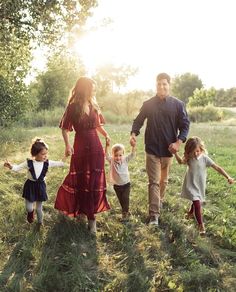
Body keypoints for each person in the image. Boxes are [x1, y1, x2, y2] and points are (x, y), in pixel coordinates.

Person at [130, 72, 190, 226]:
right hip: (152, 149)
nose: (161, 86)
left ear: (169, 85)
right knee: (154, 182)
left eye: (164, 84)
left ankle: (159, 200)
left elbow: (184, 126)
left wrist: (178, 142)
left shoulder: (178, 105)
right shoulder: (148, 104)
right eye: (159, 84)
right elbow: (138, 121)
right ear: (155, 85)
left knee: (163, 181)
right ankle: (154, 215)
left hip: (169, 151)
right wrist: (133, 134)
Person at [54, 77, 111, 233]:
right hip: (80, 146)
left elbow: (97, 125)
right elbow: (64, 129)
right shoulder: (72, 107)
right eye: (92, 87)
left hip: (95, 146)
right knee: (80, 180)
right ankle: (81, 210)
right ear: (84, 89)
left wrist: (106, 135)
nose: (94, 90)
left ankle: (92, 218)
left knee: (93, 181)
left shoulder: (94, 105)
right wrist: (67, 145)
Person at [175, 136, 234, 235]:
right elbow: (180, 161)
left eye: (197, 151)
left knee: (196, 200)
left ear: (201, 149)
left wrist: (228, 177)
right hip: (190, 183)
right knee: (197, 203)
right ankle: (201, 225)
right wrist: (175, 153)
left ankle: (190, 213)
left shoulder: (205, 158)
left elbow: (217, 167)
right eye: (193, 152)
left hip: (200, 185)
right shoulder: (189, 157)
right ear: (189, 151)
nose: (196, 154)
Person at [4, 138, 66, 227]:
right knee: (29, 207)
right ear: (35, 154)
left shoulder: (47, 163)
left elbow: (60, 163)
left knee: (39, 208)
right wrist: (10, 166)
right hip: (30, 186)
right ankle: (30, 212)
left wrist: (66, 155)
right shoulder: (29, 163)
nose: (45, 156)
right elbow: (17, 168)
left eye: (46, 154)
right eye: (43, 154)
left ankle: (40, 223)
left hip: (40, 186)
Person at [105, 142, 135, 222]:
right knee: (121, 200)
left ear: (123, 155)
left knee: (125, 198)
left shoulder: (125, 160)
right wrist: (107, 146)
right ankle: (126, 211)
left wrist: (133, 146)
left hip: (126, 184)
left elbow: (132, 154)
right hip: (117, 185)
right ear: (113, 155)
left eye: (120, 155)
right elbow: (106, 155)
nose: (118, 157)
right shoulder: (112, 161)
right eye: (116, 155)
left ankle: (125, 215)